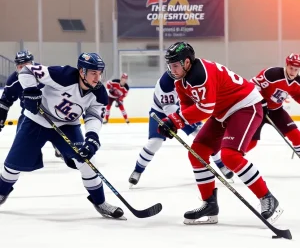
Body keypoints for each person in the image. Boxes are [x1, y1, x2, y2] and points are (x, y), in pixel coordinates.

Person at [157, 42, 283, 225]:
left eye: (175, 65)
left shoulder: (201, 75)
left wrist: (176, 120)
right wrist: (177, 122)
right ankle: (209, 204)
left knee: (230, 156)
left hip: (245, 106)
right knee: (197, 152)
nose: (171, 69)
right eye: (169, 65)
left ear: (186, 62)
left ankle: (268, 198)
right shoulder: (180, 79)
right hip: (222, 112)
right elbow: (188, 106)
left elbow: (205, 109)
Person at [0, 52, 124, 219]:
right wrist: (30, 90)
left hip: (68, 126)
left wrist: (92, 138)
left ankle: (100, 202)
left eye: (100, 73)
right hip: (37, 120)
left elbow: (94, 116)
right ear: (82, 71)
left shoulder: (99, 92)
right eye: (93, 73)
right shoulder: (62, 75)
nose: (97, 77)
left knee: (87, 161)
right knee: (13, 165)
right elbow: (26, 71)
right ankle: (1, 193)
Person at [128, 71, 233, 187]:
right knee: (155, 142)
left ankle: (221, 164)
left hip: (182, 109)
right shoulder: (166, 82)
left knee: (203, 134)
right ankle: (137, 170)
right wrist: (174, 124)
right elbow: (169, 108)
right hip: (161, 111)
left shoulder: (195, 75)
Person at [247, 53, 300, 155]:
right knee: (252, 143)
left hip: (277, 111)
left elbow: (297, 95)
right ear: (287, 65)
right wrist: (261, 102)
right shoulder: (272, 73)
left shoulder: (298, 82)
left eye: (296, 69)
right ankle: (229, 160)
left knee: (297, 136)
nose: (293, 72)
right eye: (291, 68)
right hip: (258, 111)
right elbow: (253, 84)